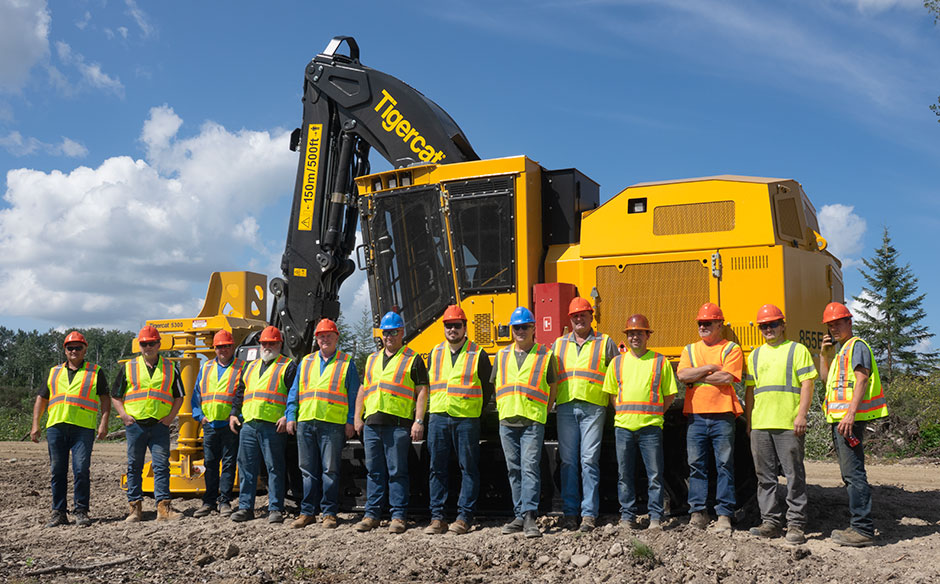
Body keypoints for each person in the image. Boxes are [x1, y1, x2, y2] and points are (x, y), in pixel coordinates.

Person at [744, 304, 817, 545]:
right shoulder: (754, 355)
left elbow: (807, 384)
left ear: (783, 325)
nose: (768, 329)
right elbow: (750, 390)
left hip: (788, 423)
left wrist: (802, 415)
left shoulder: (797, 350)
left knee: (794, 475)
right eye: (764, 326)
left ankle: (796, 524)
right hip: (761, 424)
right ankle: (770, 522)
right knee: (764, 477)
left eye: (773, 324)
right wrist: (750, 421)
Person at [819, 301, 888, 547]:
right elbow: (826, 380)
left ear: (849, 322)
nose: (834, 329)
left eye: (838, 323)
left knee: (854, 474)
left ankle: (862, 529)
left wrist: (850, 414)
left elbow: (861, 380)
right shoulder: (841, 352)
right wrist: (824, 355)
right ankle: (860, 526)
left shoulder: (856, 346)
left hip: (848, 421)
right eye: (830, 325)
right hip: (840, 421)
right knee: (850, 474)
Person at [353, 311, 429, 534]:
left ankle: (398, 516)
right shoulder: (372, 359)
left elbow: (422, 391)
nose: (389, 336)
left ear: (402, 333)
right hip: (372, 425)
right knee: (374, 471)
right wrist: (358, 417)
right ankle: (372, 514)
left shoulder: (412, 358)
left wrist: (418, 421)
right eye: (385, 333)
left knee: (397, 471)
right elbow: (363, 389)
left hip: (398, 425)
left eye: (393, 332)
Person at [602, 315, 677, 531]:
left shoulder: (659, 361)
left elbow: (669, 395)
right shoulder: (617, 363)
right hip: (624, 427)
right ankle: (627, 517)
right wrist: (625, 413)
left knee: (654, 475)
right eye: (631, 333)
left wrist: (653, 414)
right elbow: (612, 395)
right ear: (627, 336)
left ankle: (655, 517)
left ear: (647, 336)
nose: (635, 337)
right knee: (625, 475)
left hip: (651, 428)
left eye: (639, 332)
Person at [31, 331, 111, 527]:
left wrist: (104, 422)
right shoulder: (54, 372)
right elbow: (42, 398)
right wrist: (36, 424)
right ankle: (58, 512)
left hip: (83, 429)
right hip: (56, 427)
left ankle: (81, 511)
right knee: (57, 470)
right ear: (65, 350)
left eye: (78, 347)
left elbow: (105, 399)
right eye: (70, 348)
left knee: (81, 469)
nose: (74, 351)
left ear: (85, 349)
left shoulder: (95, 371)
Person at [424, 305, 493, 535]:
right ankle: (438, 518)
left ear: (465, 328)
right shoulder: (435, 353)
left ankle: (464, 517)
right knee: (437, 468)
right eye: (448, 325)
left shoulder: (478, 353)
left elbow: (487, 389)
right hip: (438, 418)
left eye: (457, 325)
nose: (452, 329)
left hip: (466, 420)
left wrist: (475, 411)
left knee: (468, 468)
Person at [552, 297, 618, 532]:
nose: (579, 319)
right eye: (575, 316)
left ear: (592, 316)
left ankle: (589, 514)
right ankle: (570, 513)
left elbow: (616, 372)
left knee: (589, 461)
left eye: (583, 315)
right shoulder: (558, 344)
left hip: (593, 407)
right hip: (567, 407)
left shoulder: (605, 341)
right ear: (570, 320)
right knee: (569, 462)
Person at [676, 303, 744, 533]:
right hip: (696, 415)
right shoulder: (690, 349)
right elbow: (683, 375)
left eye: (708, 323)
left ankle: (724, 514)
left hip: (723, 415)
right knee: (696, 466)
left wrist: (698, 377)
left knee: (724, 465)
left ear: (719, 325)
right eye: (700, 323)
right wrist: (711, 368)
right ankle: (698, 512)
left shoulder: (731, 348)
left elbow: (728, 377)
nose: (703, 326)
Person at [286, 318, 359, 529]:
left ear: (337, 338)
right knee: (307, 470)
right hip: (306, 422)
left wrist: (349, 421)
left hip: (332, 424)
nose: (325, 339)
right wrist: (291, 416)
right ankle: (307, 511)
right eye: (321, 336)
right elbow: (295, 392)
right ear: (316, 340)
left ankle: (329, 513)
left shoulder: (346, 362)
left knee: (330, 470)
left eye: (329, 335)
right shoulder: (306, 362)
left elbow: (353, 394)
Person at [491, 306, 557, 539]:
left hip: (531, 420)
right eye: (516, 327)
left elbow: (553, 387)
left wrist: (543, 412)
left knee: (529, 468)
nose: (520, 331)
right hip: (507, 420)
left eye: (525, 327)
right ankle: (519, 514)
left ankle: (529, 516)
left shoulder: (545, 355)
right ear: (512, 330)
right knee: (514, 470)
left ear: (533, 328)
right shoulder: (501, 355)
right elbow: (496, 384)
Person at [111, 325, 185, 522]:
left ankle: (163, 509)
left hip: (159, 426)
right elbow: (116, 396)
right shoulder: (129, 367)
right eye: (144, 344)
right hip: (135, 426)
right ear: (139, 346)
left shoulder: (170, 368)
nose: (148, 347)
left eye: (151, 343)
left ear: (158, 344)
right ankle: (135, 509)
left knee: (161, 466)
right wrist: (125, 416)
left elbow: (179, 396)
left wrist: (170, 418)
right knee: (134, 466)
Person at [228, 325, 296, 523]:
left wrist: (287, 416)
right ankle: (245, 507)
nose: (267, 346)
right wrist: (234, 413)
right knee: (247, 467)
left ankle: (276, 507)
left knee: (274, 467)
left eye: (271, 343)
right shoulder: (250, 366)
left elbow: (294, 394)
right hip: (249, 424)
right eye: (264, 343)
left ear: (279, 344)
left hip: (273, 425)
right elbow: (240, 393)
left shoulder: (287, 365)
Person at [191, 329, 245, 518]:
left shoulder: (242, 367)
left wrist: (238, 416)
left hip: (230, 425)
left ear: (233, 347)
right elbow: (196, 395)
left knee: (229, 464)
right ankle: (208, 501)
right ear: (214, 348)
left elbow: (245, 396)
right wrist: (200, 416)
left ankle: (225, 501)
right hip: (210, 424)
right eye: (219, 347)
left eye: (226, 346)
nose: (223, 350)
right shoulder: (206, 368)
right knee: (210, 464)